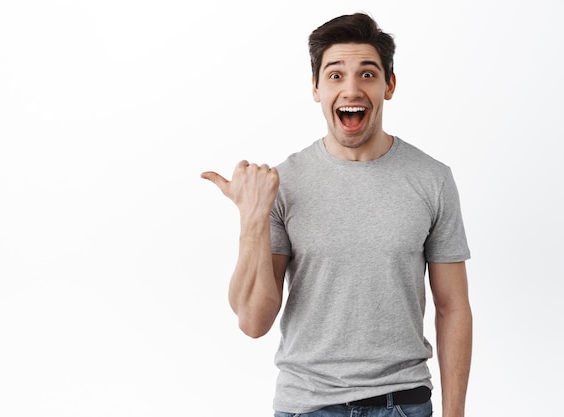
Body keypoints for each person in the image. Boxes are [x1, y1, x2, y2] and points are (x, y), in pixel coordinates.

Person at [201, 12, 472, 417]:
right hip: (307, 406)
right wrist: (252, 219)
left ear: (389, 85)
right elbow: (253, 322)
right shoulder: (283, 184)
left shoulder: (432, 180)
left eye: (367, 74)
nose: (351, 88)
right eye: (334, 75)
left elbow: (453, 307)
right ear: (315, 88)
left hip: (403, 403)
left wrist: (454, 415)